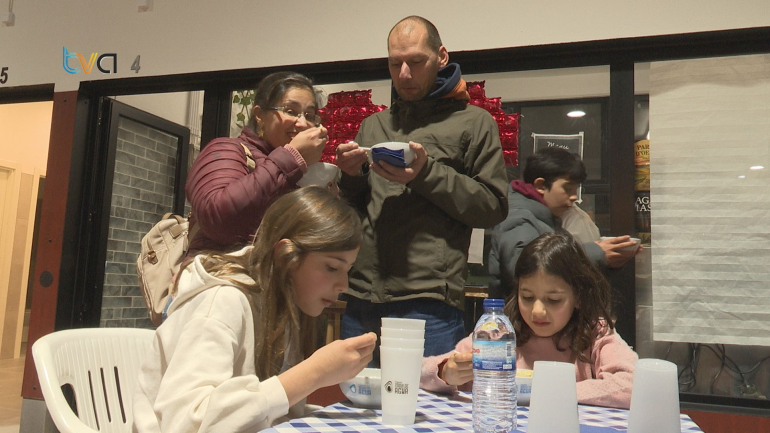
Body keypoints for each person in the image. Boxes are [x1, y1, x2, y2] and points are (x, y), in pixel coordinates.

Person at [334, 16, 509, 360]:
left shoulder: (474, 123)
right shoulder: (373, 125)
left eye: (416, 62)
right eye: (394, 63)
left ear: (441, 57)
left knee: (428, 395)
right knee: (354, 394)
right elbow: (354, 208)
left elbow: (493, 206)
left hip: (428, 301)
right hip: (361, 296)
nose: (403, 74)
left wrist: (425, 173)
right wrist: (350, 176)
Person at [133, 188, 377, 432]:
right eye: (332, 267)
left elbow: (270, 415)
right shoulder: (221, 302)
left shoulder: (287, 304)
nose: (343, 285)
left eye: (348, 270)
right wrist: (313, 373)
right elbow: (187, 424)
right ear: (285, 256)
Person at [421, 231, 638, 409]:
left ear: (579, 297)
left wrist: (546, 390)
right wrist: (445, 372)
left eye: (553, 300)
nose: (537, 311)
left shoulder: (595, 332)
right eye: (527, 297)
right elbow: (419, 371)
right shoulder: (499, 334)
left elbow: (633, 385)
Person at [184, 71, 329, 257]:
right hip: (225, 273)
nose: (302, 123)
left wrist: (345, 179)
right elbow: (217, 221)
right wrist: (291, 157)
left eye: (309, 115)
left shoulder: (300, 171)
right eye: (290, 111)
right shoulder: (226, 149)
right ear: (259, 115)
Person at [487, 146, 639, 299]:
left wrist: (609, 261)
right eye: (567, 188)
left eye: (576, 189)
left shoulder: (546, 218)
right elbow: (525, 270)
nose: (574, 197)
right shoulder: (519, 217)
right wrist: (594, 253)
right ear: (540, 186)